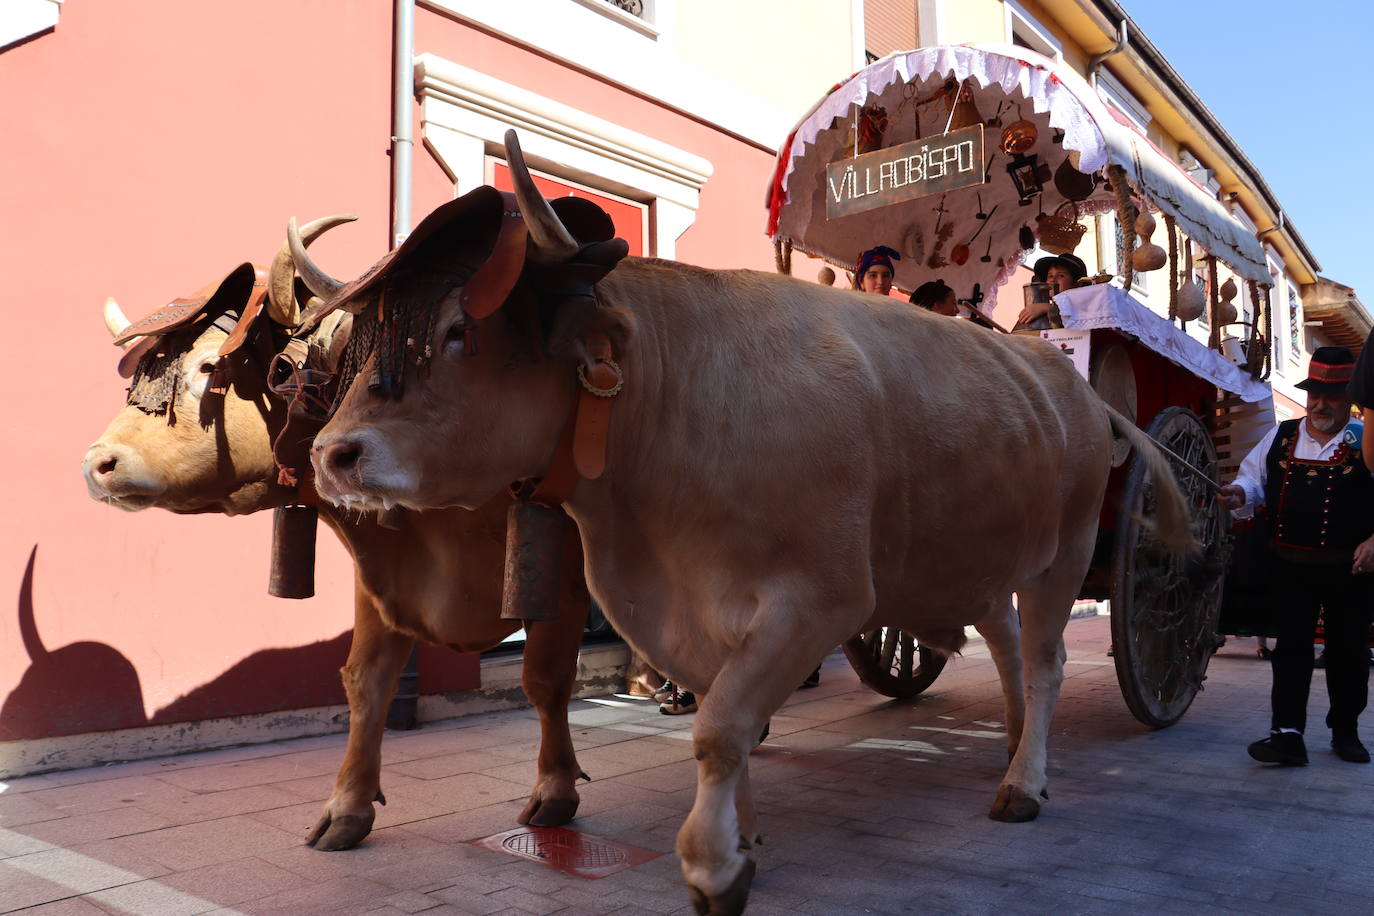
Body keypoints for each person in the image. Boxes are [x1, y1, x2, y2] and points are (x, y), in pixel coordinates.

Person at [1218, 347, 1374, 765]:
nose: (1321, 403)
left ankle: (1346, 731)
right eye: (1315, 394)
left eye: (1333, 395)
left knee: (1349, 652)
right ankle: (1287, 735)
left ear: (1350, 399)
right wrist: (1238, 493)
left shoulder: (1365, 438)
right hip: (1290, 567)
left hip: (1350, 570)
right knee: (1291, 651)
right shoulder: (1281, 435)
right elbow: (1253, 480)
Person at [1015, 253, 1087, 330]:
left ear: (1077, 284)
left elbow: (1076, 314)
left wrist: (1047, 307)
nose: (1053, 279)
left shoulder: (1086, 308)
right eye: (1050, 276)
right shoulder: (1038, 310)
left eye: (1061, 275)